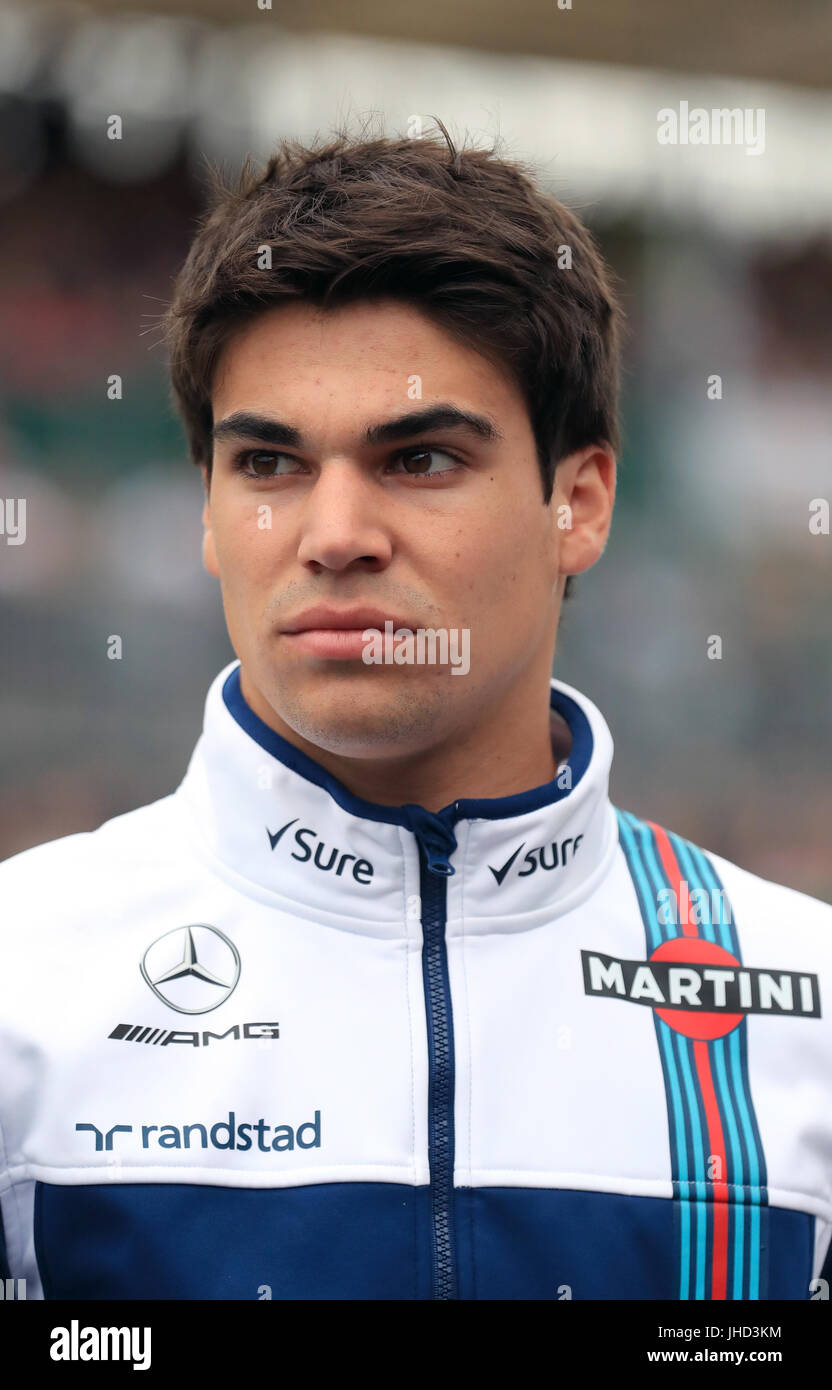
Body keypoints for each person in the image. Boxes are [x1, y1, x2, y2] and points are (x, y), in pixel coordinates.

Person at [1, 124, 830, 1302]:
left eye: (421, 459)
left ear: (580, 504)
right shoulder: (23, 975)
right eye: (269, 465)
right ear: (206, 511)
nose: (335, 535)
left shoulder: (802, 996)